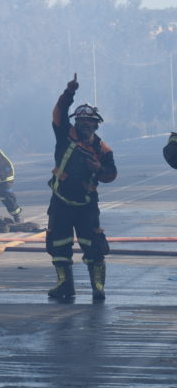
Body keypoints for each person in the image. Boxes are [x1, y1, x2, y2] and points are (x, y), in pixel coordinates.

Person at [46, 74, 117, 300]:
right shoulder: (64, 134)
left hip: (86, 206)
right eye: (81, 121)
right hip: (60, 202)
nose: (85, 124)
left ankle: (98, 288)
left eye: (90, 122)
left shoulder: (103, 150)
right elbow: (58, 112)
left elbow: (111, 174)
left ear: (96, 125)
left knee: (93, 246)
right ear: (76, 122)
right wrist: (69, 92)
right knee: (58, 245)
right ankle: (65, 286)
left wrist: (98, 168)